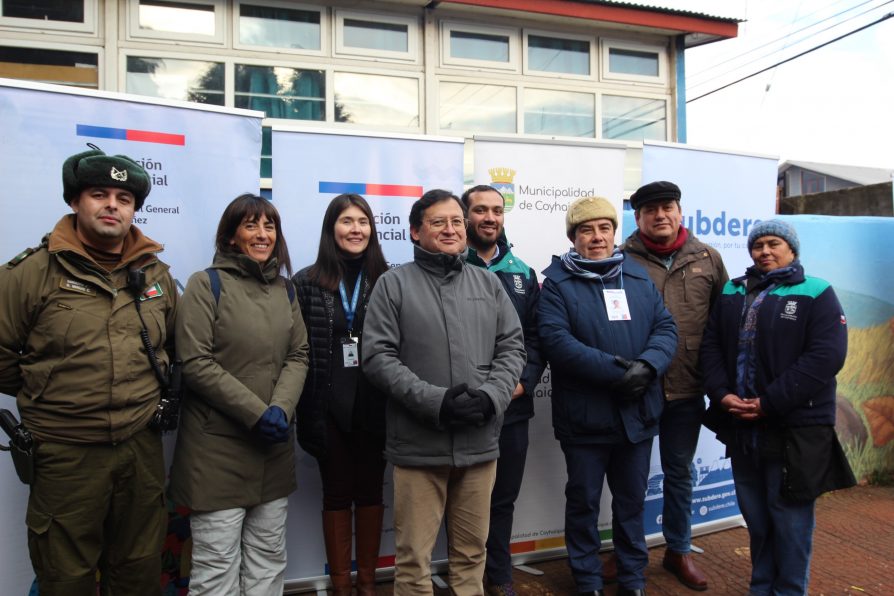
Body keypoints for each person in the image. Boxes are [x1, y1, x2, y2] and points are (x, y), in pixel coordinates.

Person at [0, 146, 176, 595]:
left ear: (135, 208)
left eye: (124, 197)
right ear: (76, 201)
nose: (112, 205)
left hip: (140, 450)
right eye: (100, 193)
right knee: (65, 579)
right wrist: (55, 399)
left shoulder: (157, 274)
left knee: (138, 574)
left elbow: (171, 350)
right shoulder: (30, 273)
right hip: (66, 455)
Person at [362, 189, 526, 595]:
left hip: (479, 444)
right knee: (413, 559)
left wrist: (491, 397)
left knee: (471, 554)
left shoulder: (488, 285)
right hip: (419, 446)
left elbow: (512, 347)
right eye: (439, 222)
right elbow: (378, 357)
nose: (451, 229)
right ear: (416, 232)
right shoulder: (392, 285)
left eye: (456, 221)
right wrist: (436, 402)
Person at [700, 219, 853, 595]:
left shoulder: (816, 292)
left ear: (791, 249)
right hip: (741, 426)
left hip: (794, 427)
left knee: (790, 519)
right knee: (757, 517)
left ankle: (788, 590)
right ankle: (761, 586)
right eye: (758, 245)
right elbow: (711, 347)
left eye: (774, 244)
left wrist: (770, 403)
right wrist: (721, 394)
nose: (765, 251)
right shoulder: (733, 291)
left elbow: (826, 356)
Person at [168, 194, 309, 595]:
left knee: (268, 559)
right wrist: (257, 413)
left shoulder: (287, 290)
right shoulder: (205, 284)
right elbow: (195, 362)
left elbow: (298, 355)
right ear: (231, 237)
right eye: (251, 225)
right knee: (215, 568)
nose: (262, 234)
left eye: (269, 226)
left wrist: (279, 409)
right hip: (217, 453)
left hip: (273, 450)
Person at [538, 196, 677, 596]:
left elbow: (665, 329)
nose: (596, 237)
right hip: (586, 420)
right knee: (583, 504)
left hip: (637, 416)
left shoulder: (635, 277)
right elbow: (556, 342)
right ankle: (587, 579)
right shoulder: (557, 284)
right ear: (573, 237)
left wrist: (648, 366)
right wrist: (622, 373)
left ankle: (633, 579)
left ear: (615, 233)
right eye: (586, 230)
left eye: (603, 228)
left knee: (632, 504)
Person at [620, 180, 728, 591]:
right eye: (651, 210)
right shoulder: (621, 260)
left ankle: (678, 549)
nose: (660, 215)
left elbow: (723, 325)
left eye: (667, 207)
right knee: (628, 478)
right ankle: (628, 552)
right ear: (639, 217)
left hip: (687, 388)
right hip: (637, 388)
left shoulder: (708, 259)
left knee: (679, 473)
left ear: (680, 212)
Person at [292, 194, 390, 596]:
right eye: (347, 221)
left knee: (370, 491)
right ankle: (340, 586)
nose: (356, 229)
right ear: (331, 228)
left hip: (376, 405)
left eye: (363, 221)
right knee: (336, 494)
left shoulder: (388, 279)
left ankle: (366, 582)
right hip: (325, 406)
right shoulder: (306, 282)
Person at [460, 184, 545, 596]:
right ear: (465, 216)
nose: (489, 217)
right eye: (480, 210)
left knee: (502, 499)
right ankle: (465, 576)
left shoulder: (522, 273)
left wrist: (524, 381)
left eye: (496, 210)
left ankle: (499, 575)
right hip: (463, 406)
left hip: (512, 407)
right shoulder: (448, 265)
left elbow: (535, 338)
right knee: (460, 499)